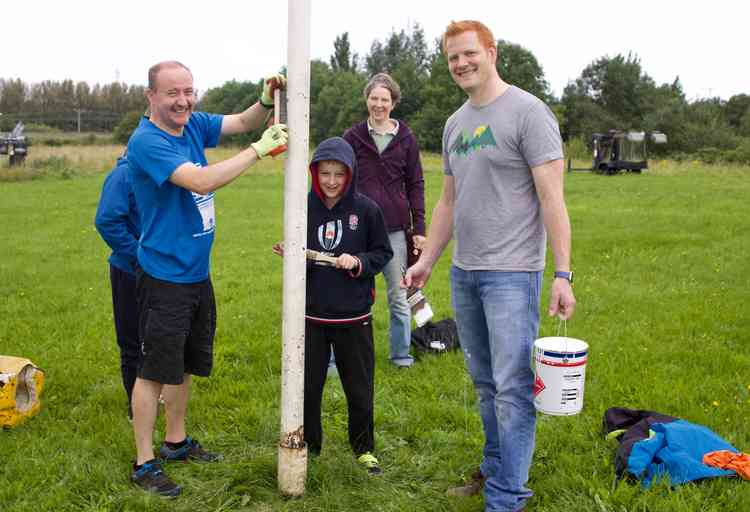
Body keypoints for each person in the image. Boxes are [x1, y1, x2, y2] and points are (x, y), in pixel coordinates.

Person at [403, 21, 576, 512]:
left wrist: (562, 274)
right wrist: (425, 262)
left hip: (513, 273)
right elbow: (446, 204)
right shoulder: (455, 124)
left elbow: (553, 199)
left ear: (491, 53)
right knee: (485, 385)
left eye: (468, 54)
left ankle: (507, 497)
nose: (461, 64)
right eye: (452, 57)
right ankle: (497, 469)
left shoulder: (529, 113)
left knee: (513, 387)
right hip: (466, 272)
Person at [126, 60, 289, 497]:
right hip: (164, 275)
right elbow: (199, 180)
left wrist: (263, 99)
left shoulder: (192, 123)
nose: (183, 101)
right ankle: (144, 463)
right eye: (172, 93)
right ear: (151, 96)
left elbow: (240, 121)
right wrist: (258, 150)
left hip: (196, 273)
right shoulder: (148, 142)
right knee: (154, 370)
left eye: (189, 91)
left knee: (182, 365)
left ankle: (175, 441)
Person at [272, 137, 392, 475]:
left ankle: (364, 448)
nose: (332, 181)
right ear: (314, 172)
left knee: (359, 386)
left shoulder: (367, 210)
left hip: (354, 316)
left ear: (350, 174)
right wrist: (293, 254)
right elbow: (302, 254)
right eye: (325, 173)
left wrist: (357, 261)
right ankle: (312, 444)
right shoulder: (301, 207)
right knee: (307, 387)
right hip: (310, 315)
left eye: (339, 174)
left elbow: (382, 253)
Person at [343, 73, 426, 368]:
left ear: (393, 103)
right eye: (374, 98)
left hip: (394, 230)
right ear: (367, 100)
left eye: (385, 100)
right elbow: (340, 180)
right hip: (357, 229)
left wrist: (420, 229)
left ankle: (400, 355)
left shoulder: (406, 139)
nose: (379, 105)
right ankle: (339, 356)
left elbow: (415, 183)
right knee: (346, 295)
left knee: (400, 295)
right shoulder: (352, 137)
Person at [94, 153, 141, 422]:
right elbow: (107, 221)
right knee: (132, 341)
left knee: (158, 338)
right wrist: (139, 255)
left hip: (164, 270)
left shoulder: (166, 169)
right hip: (130, 271)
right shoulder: (123, 175)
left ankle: (154, 392)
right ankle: (135, 404)